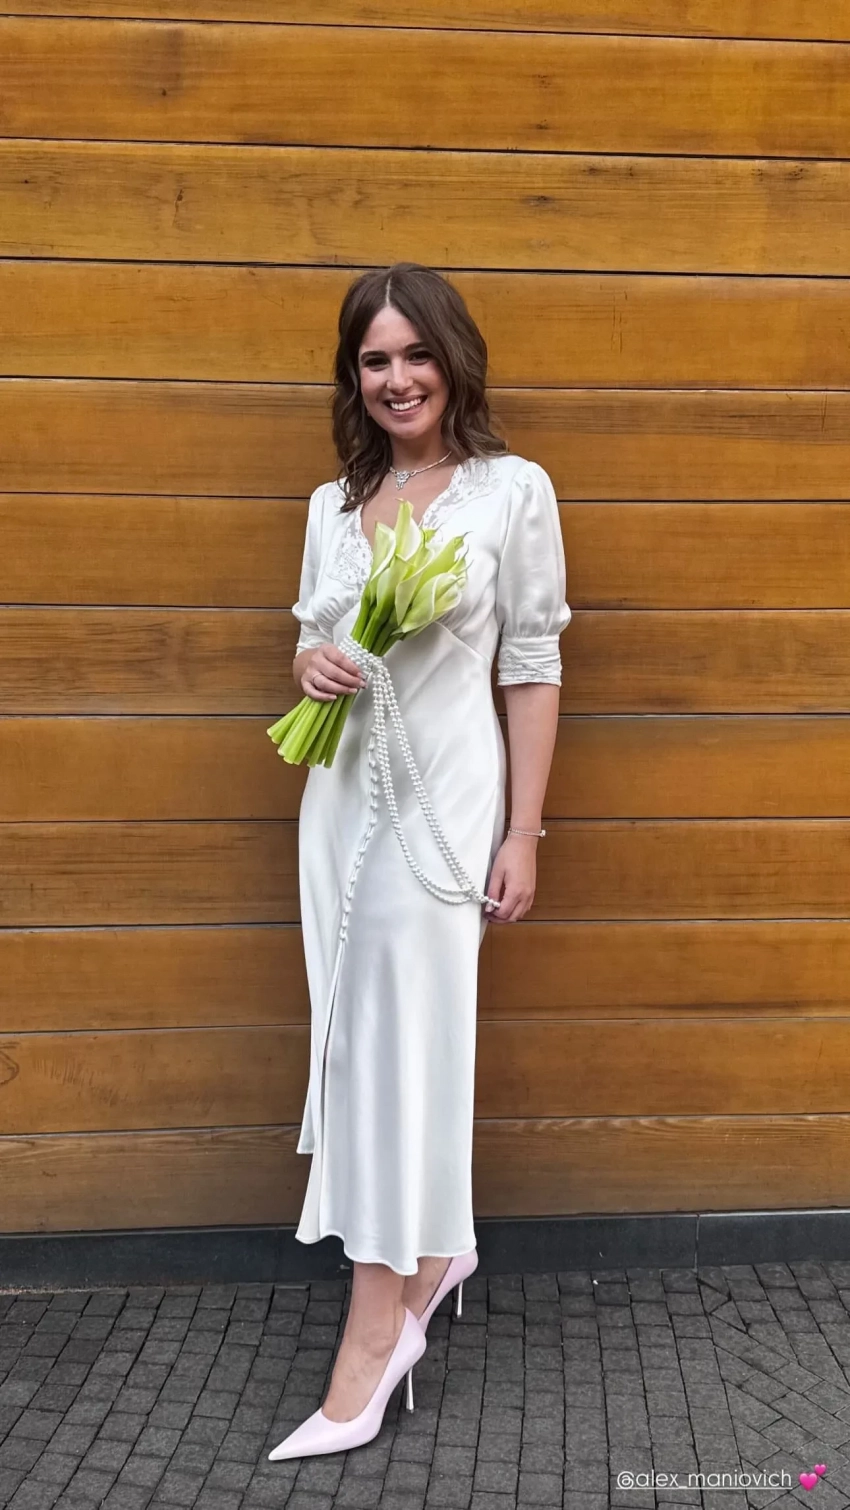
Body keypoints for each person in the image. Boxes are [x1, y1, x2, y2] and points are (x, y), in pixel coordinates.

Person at [268, 262, 571, 1461]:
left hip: (441, 806)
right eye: (373, 359)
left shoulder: (510, 492)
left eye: (414, 353)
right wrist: (312, 667)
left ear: (453, 359)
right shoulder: (331, 505)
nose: (396, 378)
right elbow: (311, 643)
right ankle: (435, 1250)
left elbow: (531, 666)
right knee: (355, 1048)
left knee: (408, 1048)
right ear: (354, 376)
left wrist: (523, 831)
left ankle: (377, 1326)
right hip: (338, 803)